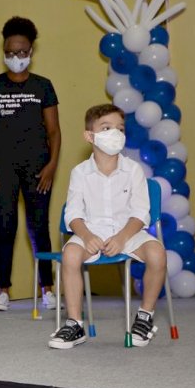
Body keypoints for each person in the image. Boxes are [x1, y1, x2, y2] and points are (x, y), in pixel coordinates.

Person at [49, 103, 167, 349]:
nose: (115, 133)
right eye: (107, 127)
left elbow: (140, 212)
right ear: (89, 136)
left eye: (120, 128)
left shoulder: (133, 170)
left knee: (157, 253)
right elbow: (73, 212)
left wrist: (123, 237)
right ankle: (74, 324)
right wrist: (86, 235)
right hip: (91, 231)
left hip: (128, 232)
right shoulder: (80, 172)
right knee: (70, 254)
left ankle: (144, 317)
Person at [0, 16, 61, 312]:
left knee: (40, 228)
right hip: (2, 169)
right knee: (5, 227)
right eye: (10, 52)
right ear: (4, 51)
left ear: (31, 52)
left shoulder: (44, 86)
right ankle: (3, 291)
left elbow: (54, 131)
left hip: (38, 169)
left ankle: (48, 290)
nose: (16, 57)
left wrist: (51, 165)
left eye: (22, 52)